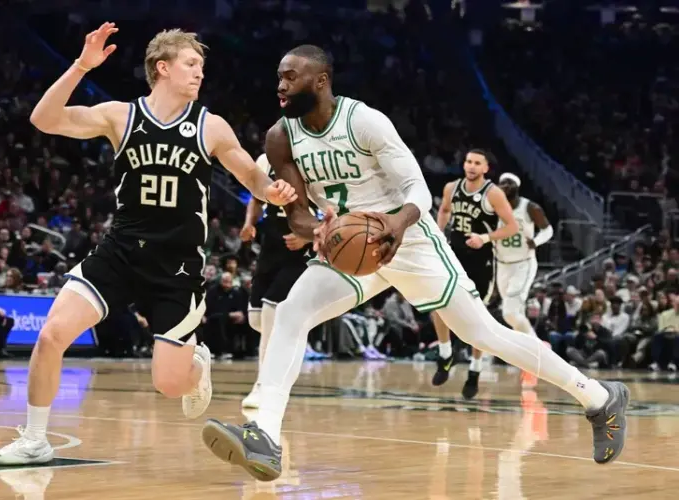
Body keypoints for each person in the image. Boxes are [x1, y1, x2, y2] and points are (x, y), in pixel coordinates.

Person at [201, 45, 629, 481]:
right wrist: (319, 230)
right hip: (349, 246)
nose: (281, 84)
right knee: (292, 310)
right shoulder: (280, 137)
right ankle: (264, 433)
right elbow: (296, 216)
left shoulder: (364, 122)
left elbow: (417, 191)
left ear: (322, 80)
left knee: (484, 332)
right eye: (279, 76)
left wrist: (396, 224)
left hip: (408, 240)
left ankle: (597, 397)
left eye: (291, 76)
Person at [0, 24, 296, 466]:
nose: (199, 74)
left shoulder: (210, 126)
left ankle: (197, 365)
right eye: (191, 64)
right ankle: (35, 439)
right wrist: (81, 66)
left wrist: (274, 193)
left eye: (202, 67)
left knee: (170, 384)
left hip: (178, 267)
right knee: (52, 334)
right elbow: (44, 119)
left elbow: (251, 177)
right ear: (162, 67)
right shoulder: (120, 115)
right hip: (121, 251)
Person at [430, 150, 519, 399]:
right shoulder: (451, 187)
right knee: (436, 300)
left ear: (485, 168)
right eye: (468, 161)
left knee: (477, 318)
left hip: (481, 260)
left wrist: (485, 237)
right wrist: (438, 233)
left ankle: (475, 369)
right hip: (454, 254)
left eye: (477, 163)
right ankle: (446, 354)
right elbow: (445, 210)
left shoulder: (493, 193)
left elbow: (512, 227)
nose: (471, 166)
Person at [240, 153, 312, 408]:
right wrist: (250, 223)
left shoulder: (313, 159)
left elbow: (330, 208)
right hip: (270, 242)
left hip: (299, 248)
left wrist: (309, 237)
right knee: (257, 319)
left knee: (271, 313)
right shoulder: (266, 159)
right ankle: (289, 338)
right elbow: (256, 198)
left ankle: (263, 386)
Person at [493, 173, 553, 387]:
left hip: (523, 264)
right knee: (510, 315)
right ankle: (537, 347)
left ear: (517, 187)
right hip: (502, 264)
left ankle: (533, 358)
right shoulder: (493, 206)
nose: (504, 186)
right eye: (501, 183)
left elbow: (548, 229)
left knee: (510, 312)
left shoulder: (529, 207)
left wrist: (536, 241)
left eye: (508, 183)